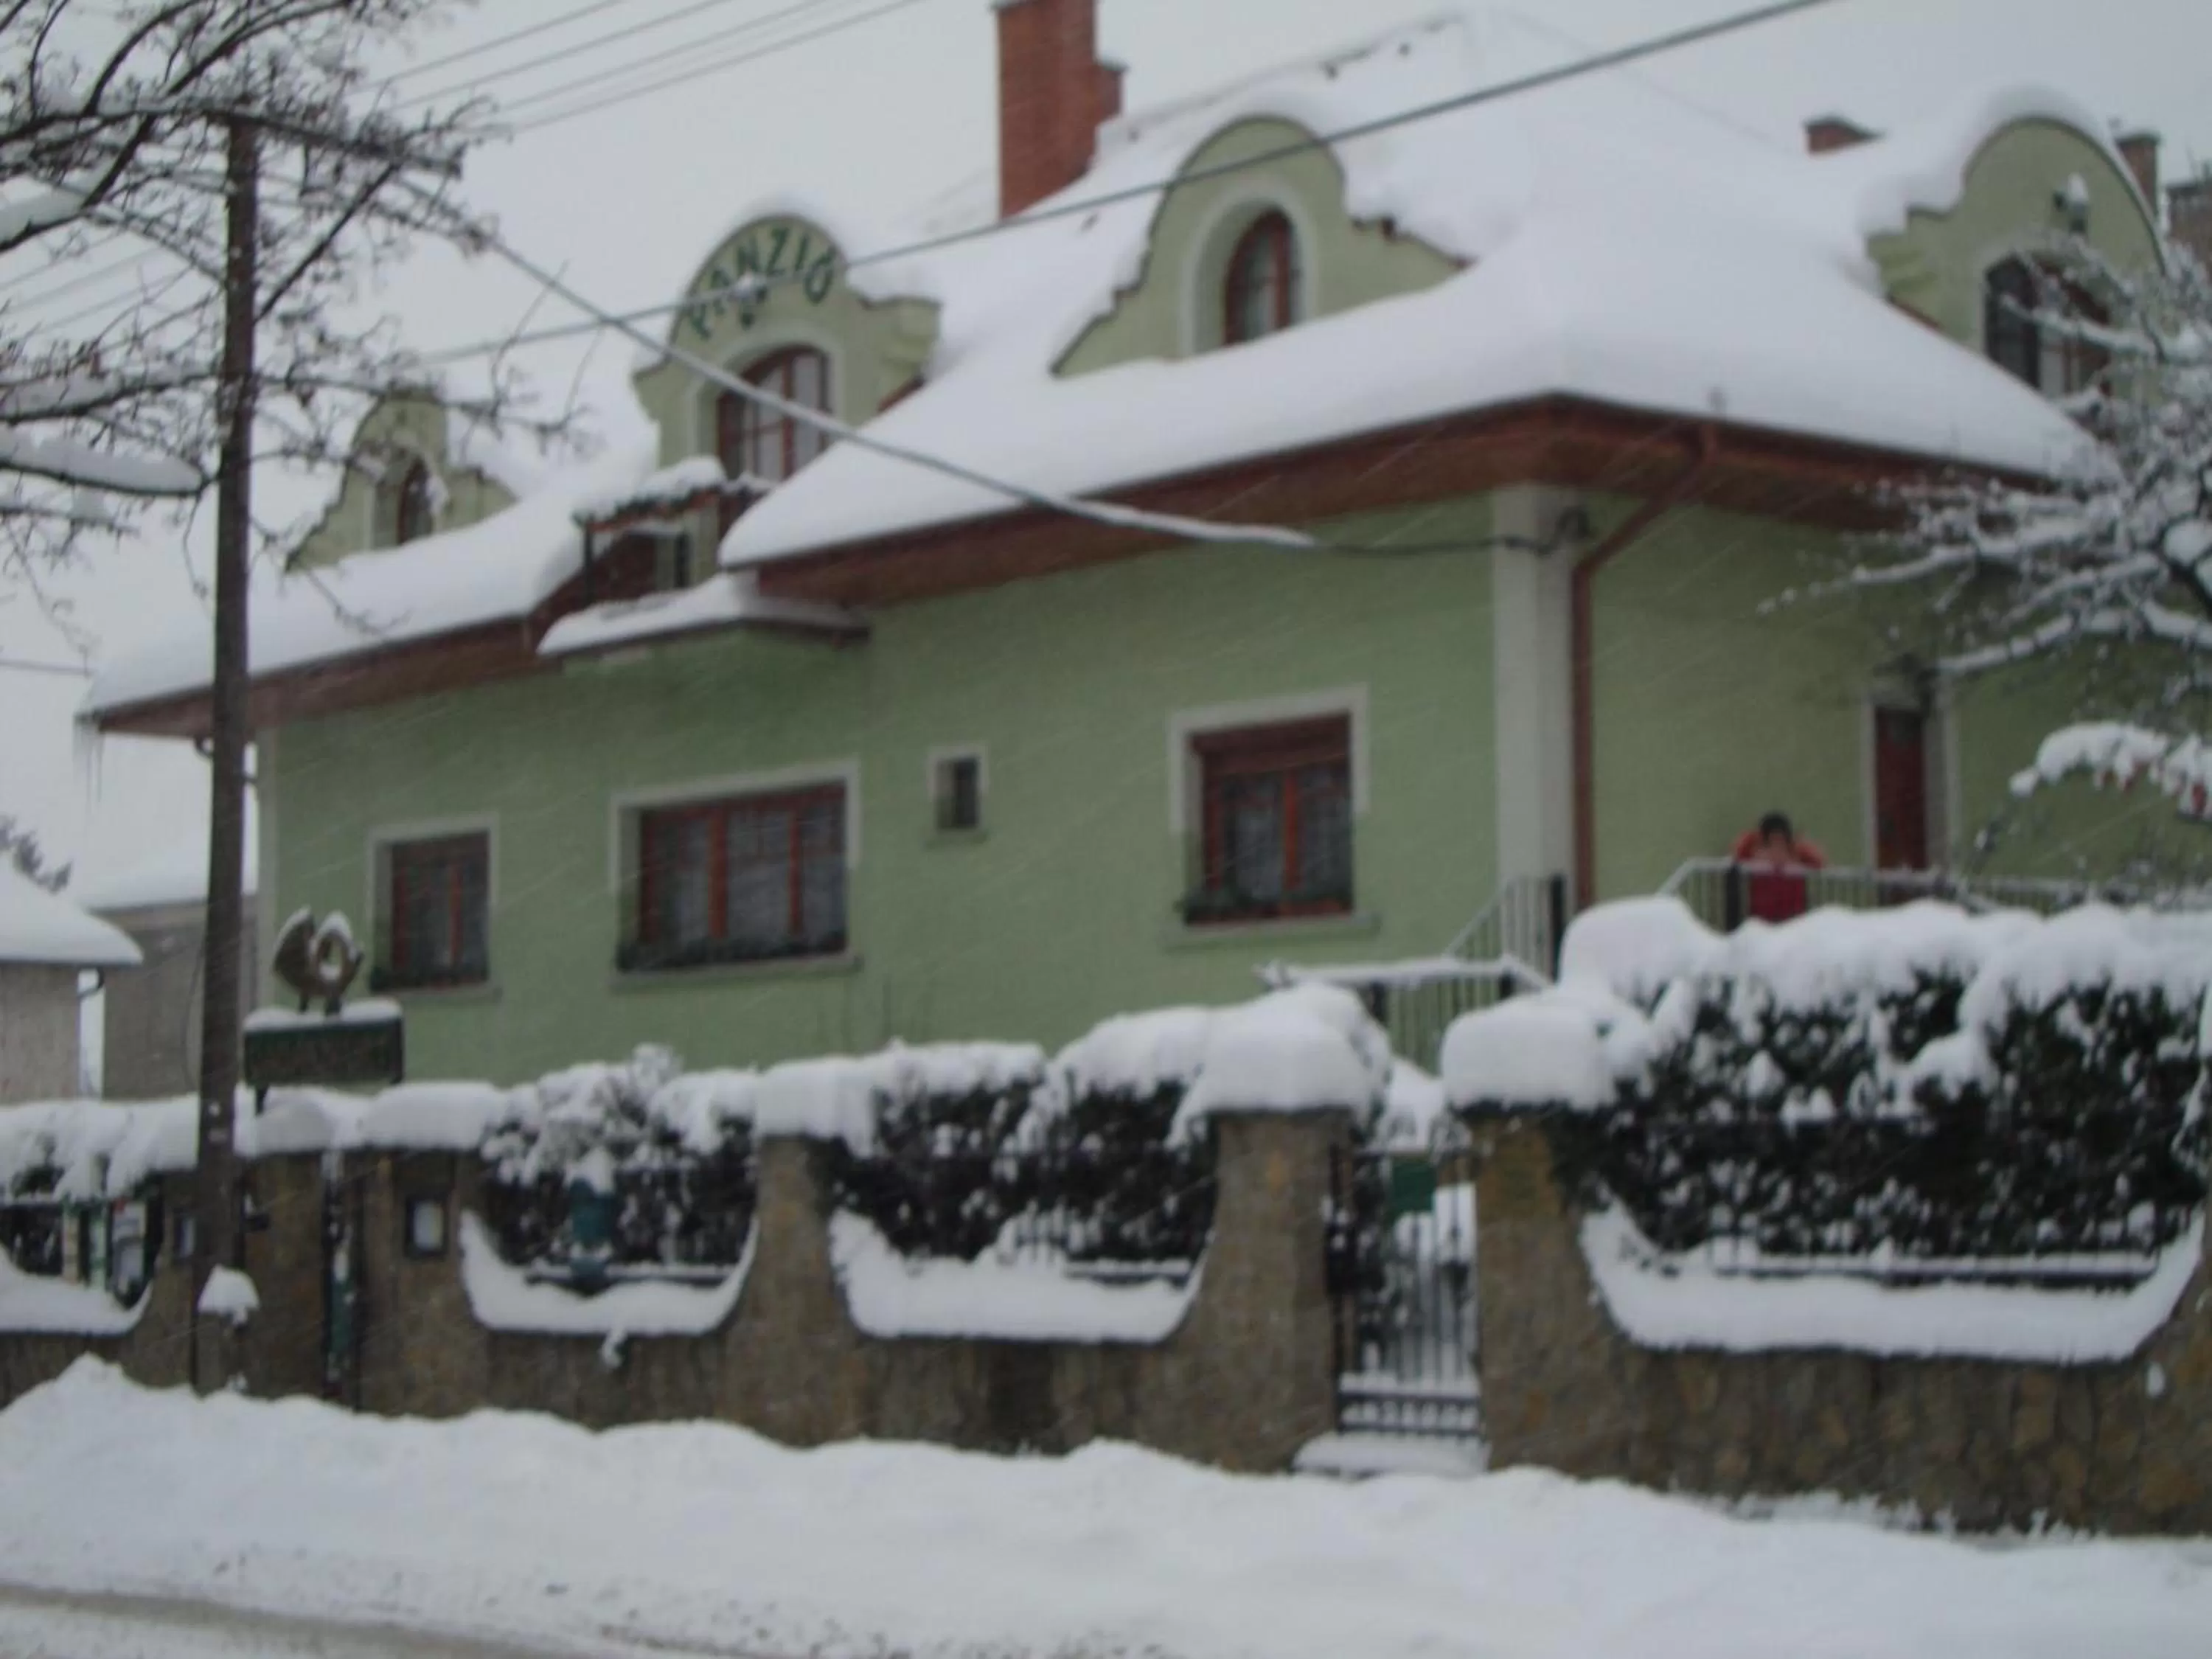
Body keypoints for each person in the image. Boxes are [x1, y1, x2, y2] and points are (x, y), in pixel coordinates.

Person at [1729, 810, 1825, 925]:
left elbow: (1819, 862)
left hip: (1792, 922)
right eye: (1771, 843)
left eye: (1781, 842)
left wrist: (1798, 849)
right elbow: (1737, 857)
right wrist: (1752, 842)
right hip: (1763, 922)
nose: (1776, 850)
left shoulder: (1796, 855)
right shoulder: (1756, 858)